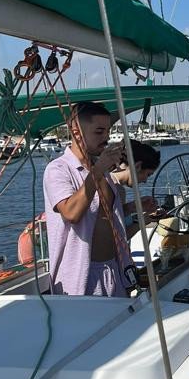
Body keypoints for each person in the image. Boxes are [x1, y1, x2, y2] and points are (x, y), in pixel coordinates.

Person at [43, 101, 132, 297]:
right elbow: (71, 213)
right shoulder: (57, 169)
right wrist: (100, 168)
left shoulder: (103, 172)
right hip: (80, 280)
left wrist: (135, 208)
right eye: (99, 132)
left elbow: (105, 217)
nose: (106, 138)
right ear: (76, 132)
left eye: (107, 132)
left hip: (114, 271)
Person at [111, 140, 161, 231]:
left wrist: (134, 207)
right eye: (148, 174)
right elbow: (118, 238)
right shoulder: (117, 189)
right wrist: (143, 221)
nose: (145, 180)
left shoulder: (110, 181)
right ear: (138, 166)